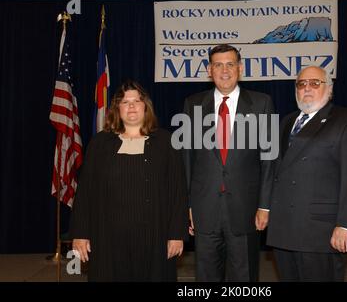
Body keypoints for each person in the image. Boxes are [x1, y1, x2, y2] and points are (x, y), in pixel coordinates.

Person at [70, 80, 188, 281]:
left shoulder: (167, 142)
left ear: (145, 106)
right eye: (125, 102)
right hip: (107, 236)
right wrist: (80, 233)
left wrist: (177, 234)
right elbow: (85, 192)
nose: (131, 106)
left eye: (136, 101)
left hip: (154, 236)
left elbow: (178, 191)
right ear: (117, 108)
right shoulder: (100, 143)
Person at [266, 66, 347, 282]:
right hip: (284, 229)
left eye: (315, 83)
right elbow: (276, 171)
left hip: (320, 232)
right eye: (301, 84)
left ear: (329, 89)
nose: (307, 88)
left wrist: (346, 225)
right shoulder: (287, 121)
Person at [183, 44, 274, 281]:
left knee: (244, 277)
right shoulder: (192, 104)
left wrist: (265, 205)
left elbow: (269, 157)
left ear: (240, 68)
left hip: (246, 209)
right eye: (218, 64)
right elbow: (187, 159)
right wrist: (188, 205)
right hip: (204, 210)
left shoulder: (262, 103)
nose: (224, 70)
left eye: (230, 64)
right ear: (209, 70)